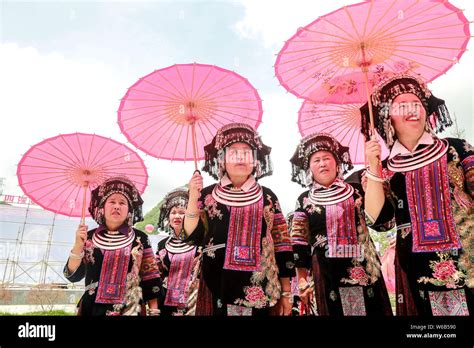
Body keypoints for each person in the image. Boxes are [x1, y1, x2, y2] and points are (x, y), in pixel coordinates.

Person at [361, 74, 473, 316]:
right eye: (401, 105)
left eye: (417, 103)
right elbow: (378, 220)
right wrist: (372, 166)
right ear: (386, 117)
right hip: (415, 267)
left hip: (468, 260)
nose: (412, 110)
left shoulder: (457, 148)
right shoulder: (385, 168)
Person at [184, 123, 295, 316]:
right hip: (215, 283)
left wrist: (286, 292)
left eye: (246, 152)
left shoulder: (268, 197)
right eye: (233, 152)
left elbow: (282, 245)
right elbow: (192, 235)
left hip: (261, 288)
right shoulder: (207, 194)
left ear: (255, 160)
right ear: (222, 160)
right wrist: (193, 196)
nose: (240, 157)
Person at [290, 133, 393, 316]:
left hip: (365, 269)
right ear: (309, 169)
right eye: (316, 160)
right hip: (326, 272)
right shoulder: (304, 200)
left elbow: (382, 223)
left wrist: (374, 187)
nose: (322, 164)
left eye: (327, 158)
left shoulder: (357, 189)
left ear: (337, 163)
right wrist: (302, 279)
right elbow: (299, 242)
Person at [64, 177, 162, 316]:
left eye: (122, 203)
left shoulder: (140, 238)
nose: (117, 206)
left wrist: (154, 311)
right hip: (92, 308)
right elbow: (73, 276)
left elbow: (150, 277)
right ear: (102, 208)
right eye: (112, 202)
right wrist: (78, 245)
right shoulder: (89, 237)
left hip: (130, 308)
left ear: (129, 210)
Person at [155, 187, 201, 316]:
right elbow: (157, 274)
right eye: (173, 212)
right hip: (166, 301)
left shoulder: (201, 243)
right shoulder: (162, 244)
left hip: (194, 302)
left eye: (181, 212)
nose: (176, 216)